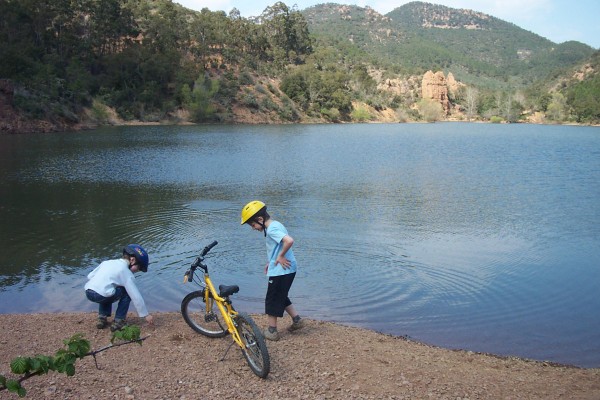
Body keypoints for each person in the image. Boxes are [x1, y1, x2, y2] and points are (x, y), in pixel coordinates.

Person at [241, 200, 305, 341]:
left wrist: (280, 256)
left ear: (260, 219)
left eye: (253, 225)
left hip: (282, 271)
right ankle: (297, 320)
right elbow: (278, 245)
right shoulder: (276, 224)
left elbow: (289, 241)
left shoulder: (272, 229)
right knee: (280, 295)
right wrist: (271, 262)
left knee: (272, 299)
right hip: (286, 269)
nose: (253, 228)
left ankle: (272, 331)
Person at [84, 244, 154, 332]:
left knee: (108, 289)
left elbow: (90, 276)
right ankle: (119, 321)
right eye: (139, 267)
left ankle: (102, 318)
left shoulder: (107, 262)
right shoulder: (125, 272)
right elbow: (135, 296)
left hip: (89, 292)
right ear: (132, 260)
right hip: (101, 295)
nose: (137, 271)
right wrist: (145, 314)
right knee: (126, 292)